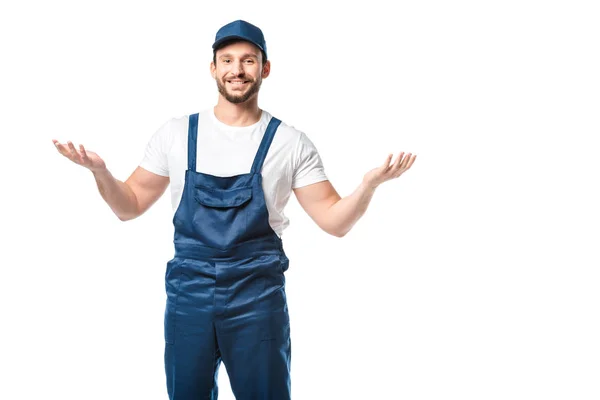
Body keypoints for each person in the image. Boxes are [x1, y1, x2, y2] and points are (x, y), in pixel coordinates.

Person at [53, 19, 416, 400]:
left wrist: (368, 186)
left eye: (248, 60)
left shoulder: (289, 143)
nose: (237, 70)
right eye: (226, 60)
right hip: (188, 295)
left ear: (265, 68)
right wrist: (101, 172)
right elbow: (129, 206)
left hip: (257, 298)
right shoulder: (176, 134)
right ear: (213, 68)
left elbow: (333, 220)